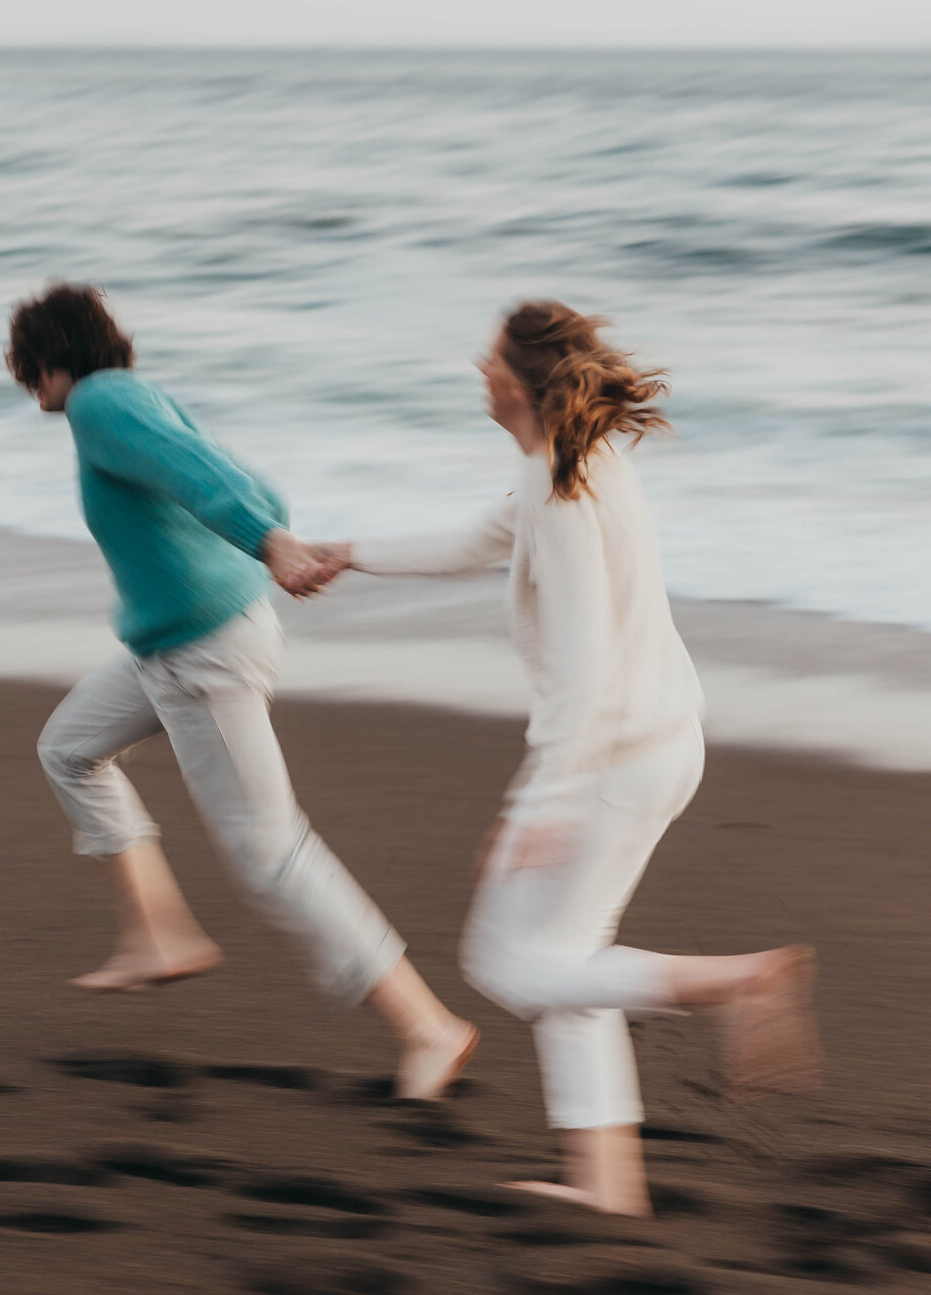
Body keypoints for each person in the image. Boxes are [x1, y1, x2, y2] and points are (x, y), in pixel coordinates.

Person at [304, 301, 820, 1214]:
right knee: (564, 958)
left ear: (520, 381)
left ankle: (734, 982)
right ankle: (607, 1185)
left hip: (615, 759)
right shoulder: (566, 469)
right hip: (651, 747)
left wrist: (540, 804)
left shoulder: (561, 486)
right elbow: (477, 541)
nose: (478, 366)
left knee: (507, 963)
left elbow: (585, 672)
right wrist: (351, 555)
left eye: (490, 358)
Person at [4, 282, 477, 1100]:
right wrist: (269, 535)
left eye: (25, 370)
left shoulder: (98, 401)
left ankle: (428, 1025)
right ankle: (157, 933)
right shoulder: (136, 398)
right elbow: (246, 478)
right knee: (70, 749)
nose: (28, 390)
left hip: (204, 654)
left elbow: (201, 474)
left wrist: (270, 543)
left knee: (269, 850)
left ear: (47, 358)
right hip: (176, 648)